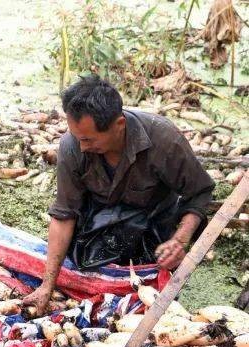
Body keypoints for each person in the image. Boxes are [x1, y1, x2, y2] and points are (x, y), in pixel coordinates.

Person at [24, 75, 215, 315]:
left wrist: (180, 240)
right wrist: (46, 285)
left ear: (119, 125)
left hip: (152, 221)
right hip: (100, 220)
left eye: (89, 140)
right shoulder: (72, 146)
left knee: (156, 279)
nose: (82, 147)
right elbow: (64, 215)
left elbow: (200, 192)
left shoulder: (163, 140)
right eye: (78, 137)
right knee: (82, 262)